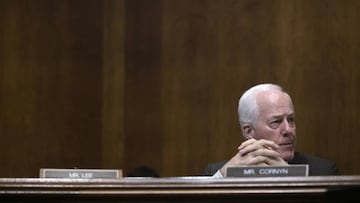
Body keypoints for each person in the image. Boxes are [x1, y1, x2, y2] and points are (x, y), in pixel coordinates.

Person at [205, 83, 339, 177]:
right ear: (248, 131)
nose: (288, 130)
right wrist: (221, 178)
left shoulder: (323, 172)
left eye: (291, 120)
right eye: (276, 122)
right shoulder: (219, 173)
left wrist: (290, 177)